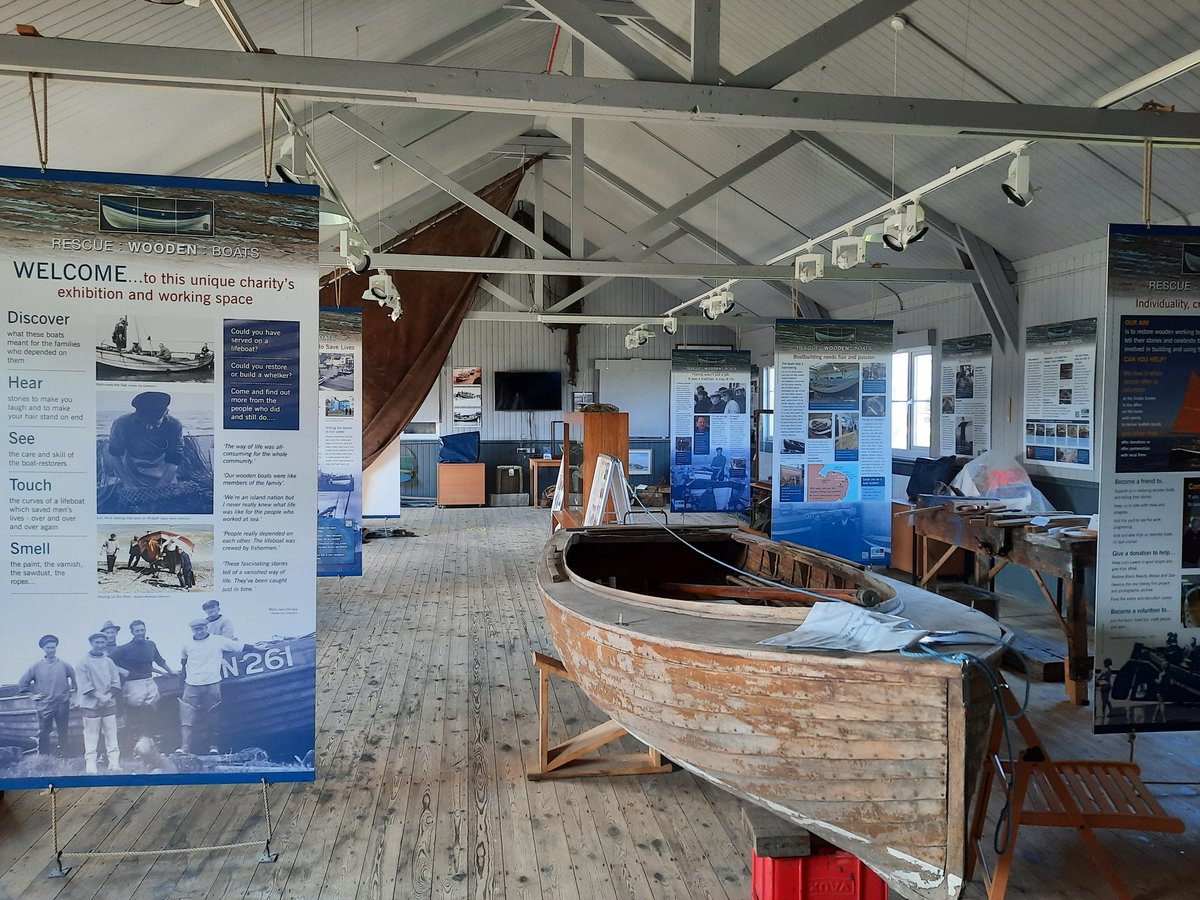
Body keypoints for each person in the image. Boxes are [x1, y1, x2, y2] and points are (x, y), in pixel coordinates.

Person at [179, 618, 248, 754]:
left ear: (206, 628)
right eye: (196, 629)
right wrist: (183, 679)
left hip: (212, 683)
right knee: (187, 717)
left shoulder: (218, 640)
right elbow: (183, 662)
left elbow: (239, 646)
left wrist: (257, 648)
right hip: (192, 684)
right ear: (192, 630)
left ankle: (213, 746)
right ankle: (185, 747)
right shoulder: (186, 644)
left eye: (201, 628)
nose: (199, 632)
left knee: (213, 716)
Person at [110, 620, 175, 749]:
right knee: (135, 714)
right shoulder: (124, 648)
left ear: (145, 630)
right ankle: (134, 747)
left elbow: (159, 660)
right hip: (133, 684)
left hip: (149, 681)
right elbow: (108, 661)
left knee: (151, 712)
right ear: (132, 632)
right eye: (137, 631)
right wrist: (122, 671)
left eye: (142, 630)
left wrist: (170, 672)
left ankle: (151, 743)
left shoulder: (151, 644)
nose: (140, 633)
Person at [106, 391, 185, 490]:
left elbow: (174, 459)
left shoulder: (174, 425)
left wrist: (162, 484)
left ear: (166, 412)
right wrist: (127, 482)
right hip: (133, 471)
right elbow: (114, 455)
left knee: (169, 494)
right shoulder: (122, 424)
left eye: (155, 424)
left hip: (164, 470)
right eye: (143, 423)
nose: (149, 428)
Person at [18, 635, 77, 757]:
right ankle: (44, 755)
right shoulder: (35, 667)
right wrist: (32, 696)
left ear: (56, 648)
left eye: (53, 647)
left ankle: (64, 753)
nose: (51, 650)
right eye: (48, 648)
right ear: (43, 649)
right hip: (45, 705)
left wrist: (74, 697)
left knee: (63, 730)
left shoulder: (65, 665)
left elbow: (76, 683)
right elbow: (23, 683)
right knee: (44, 731)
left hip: (62, 703)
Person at [77, 633, 122, 773]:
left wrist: (107, 697)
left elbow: (116, 681)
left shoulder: (109, 661)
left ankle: (114, 763)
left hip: (109, 702)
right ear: (91, 643)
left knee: (111, 733)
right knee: (91, 736)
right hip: (90, 704)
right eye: (97, 642)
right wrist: (100, 697)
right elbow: (84, 684)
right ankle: (91, 764)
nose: (100, 645)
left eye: (103, 642)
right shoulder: (83, 662)